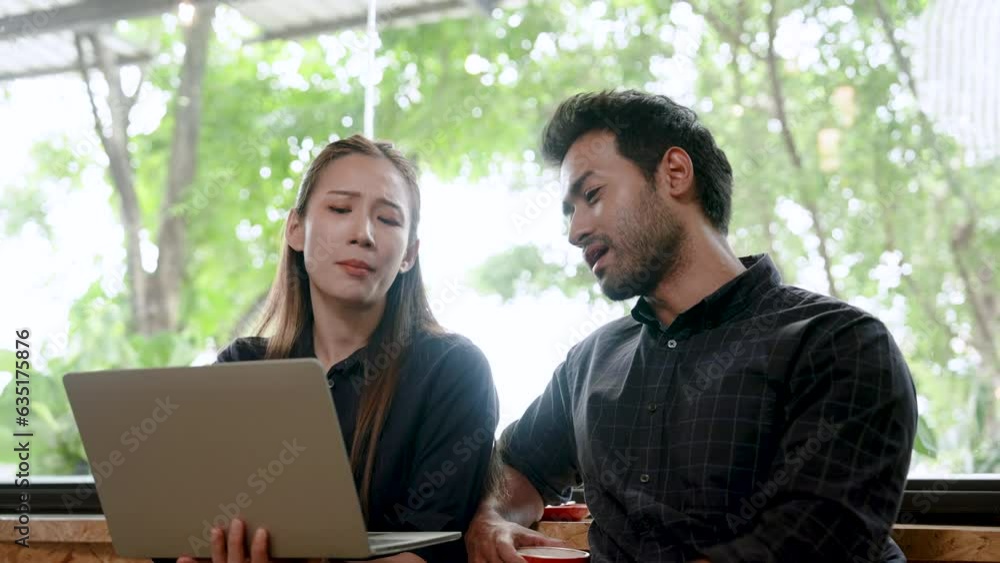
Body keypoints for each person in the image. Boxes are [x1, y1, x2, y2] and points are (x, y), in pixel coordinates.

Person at [465, 90, 917, 563]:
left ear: (675, 173)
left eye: (592, 195)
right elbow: (517, 467)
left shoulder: (838, 344)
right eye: (569, 211)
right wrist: (491, 516)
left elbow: (802, 546)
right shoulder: (590, 363)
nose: (575, 232)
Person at [168, 135, 499, 563]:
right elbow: (180, 526)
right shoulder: (241, 366)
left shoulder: (453, 372)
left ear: (409, 254)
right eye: (341, 209)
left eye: (388, 219)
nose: (363, 234)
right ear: (296, 229)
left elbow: (426, 553)